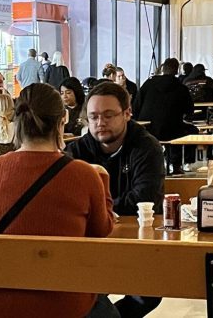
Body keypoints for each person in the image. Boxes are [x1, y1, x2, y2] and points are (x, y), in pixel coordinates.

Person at [0, 83, 117, 318]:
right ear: (62, 121)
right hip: (65, 304)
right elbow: (101, 231)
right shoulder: (85, 174)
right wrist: (103, 181)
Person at [66, 82, 165, 317]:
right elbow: (68, 199)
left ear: (127, 113)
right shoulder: (77, 151)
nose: (100, 123)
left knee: (151, 289)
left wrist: (98, 207)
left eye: (109, 115)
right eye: (93, 117)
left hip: (137, 245)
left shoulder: (147, 147)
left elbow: (144, 198)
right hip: (89, 246)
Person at [134, 58, 195, 173]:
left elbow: (136, 104)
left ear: (162, 69)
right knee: (189, 130)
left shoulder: (149, 83)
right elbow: (189, 110)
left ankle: (148, 164)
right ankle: (178, 165)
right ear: (177, 71)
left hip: (148, 128)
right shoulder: (181, 88)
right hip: (172, 129)